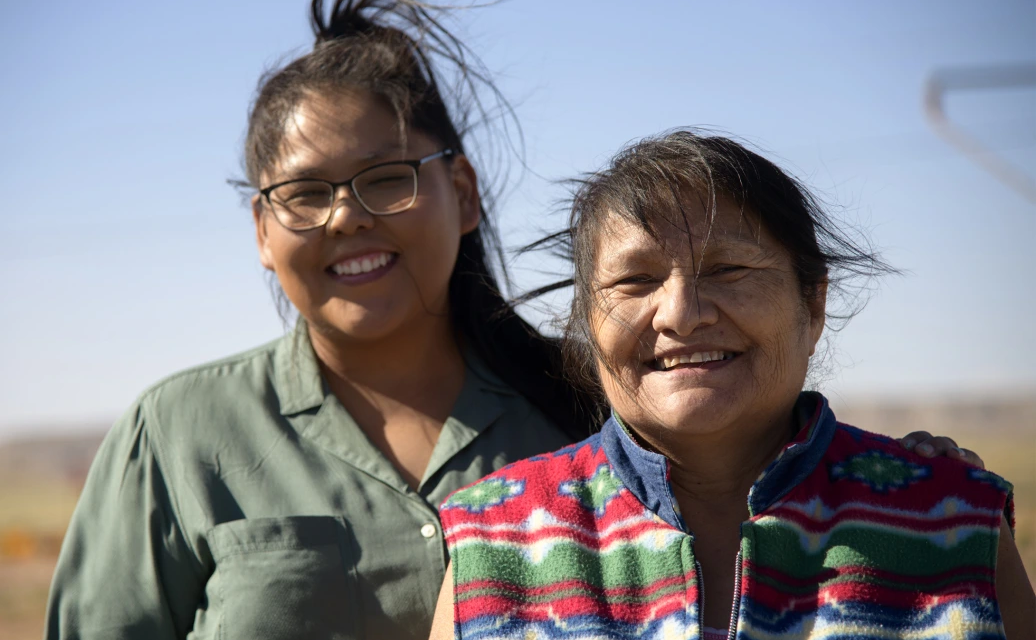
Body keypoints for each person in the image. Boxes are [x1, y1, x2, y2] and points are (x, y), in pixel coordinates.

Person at [43, 1, 987, 638]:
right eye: (304, 194)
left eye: (385, 178)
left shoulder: (595, 398)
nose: (347, 216)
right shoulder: (175, 433)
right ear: (261, 226)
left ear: (463, 189)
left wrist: (922, 484)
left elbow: (765, 477)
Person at [432, 131, 1034, 640]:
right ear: (590, 320)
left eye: (727, 269)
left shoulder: (954, 525)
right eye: (635, 280)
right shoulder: (493, 542)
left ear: (813, 303)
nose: (681, 314)